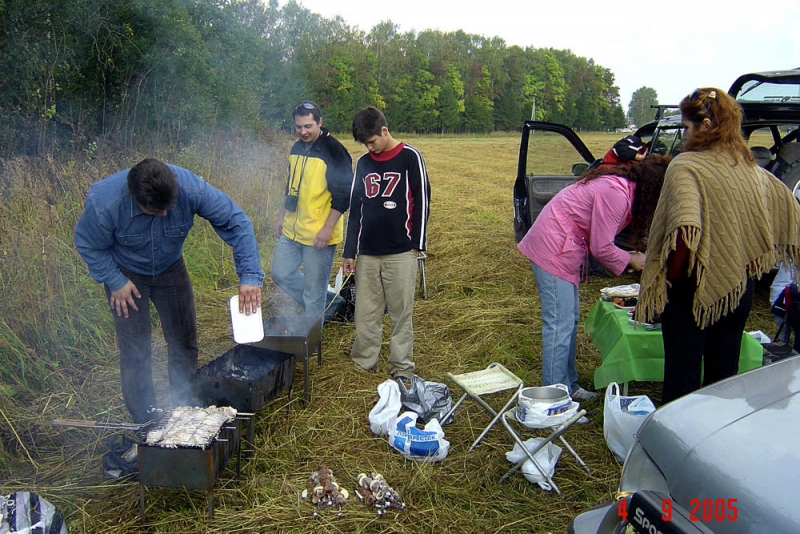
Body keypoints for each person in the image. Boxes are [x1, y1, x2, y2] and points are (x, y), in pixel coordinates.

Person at [636, 88, 800, 404]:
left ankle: (677, 440)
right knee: (722, 380)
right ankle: (712, 439)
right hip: (739, 289)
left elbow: (686, 231)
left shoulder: (686, 166)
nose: (684, 136)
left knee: (682, 378)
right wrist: (754, 254)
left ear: (707, 124)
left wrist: (668, 274)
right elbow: (782, 211)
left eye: (686, 127)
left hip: (690, 289)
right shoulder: (750, 169)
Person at [74, 158, 264, 423]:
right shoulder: (105, 203)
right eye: (154, 211)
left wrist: (250, 276)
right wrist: (114, 280)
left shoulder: (191, 188)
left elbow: (237, 221)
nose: (164, 215)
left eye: (168, 208)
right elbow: (87, 243)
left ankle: (183, 406)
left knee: (184, 341)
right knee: (135, 350)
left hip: (170, 267)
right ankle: (146, 419)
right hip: (125, 274)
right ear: (134, 197)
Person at [518, 155, 671, 401]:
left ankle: (569, 386)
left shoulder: (622, 188)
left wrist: (627, 254)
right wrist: (632, 260)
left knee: (569, 319)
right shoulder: (616, 194)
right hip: (552, 247)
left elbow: (600, 237)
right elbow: (601, 247)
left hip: (562, 246)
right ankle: (553, 400)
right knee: (559, 324)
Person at [343, 106, 430, 380]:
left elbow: (423, 200)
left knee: (400, 312)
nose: (370, 148)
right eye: (365, 144)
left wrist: (417, 243)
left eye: (372, 141)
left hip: (401, 251)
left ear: (384, 130)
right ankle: (364, 362)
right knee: (365, 312)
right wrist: (349, 252)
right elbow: (355, 208)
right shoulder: (364, 164)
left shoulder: (409, 157)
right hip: (367, 252)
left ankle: (401, 367)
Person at [271, 101, 353, 323]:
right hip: (292, 229)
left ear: (320, 122)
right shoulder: (296, 148)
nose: (303, 132)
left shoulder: (335, 151)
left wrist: (327, 228)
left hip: (319, 234)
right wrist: (281, 216)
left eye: (308, 126)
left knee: (313, 292)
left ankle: (309, 343)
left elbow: (344, 195)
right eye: (298, 127)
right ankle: (330, 303)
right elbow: (291, 186)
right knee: (280, 273)